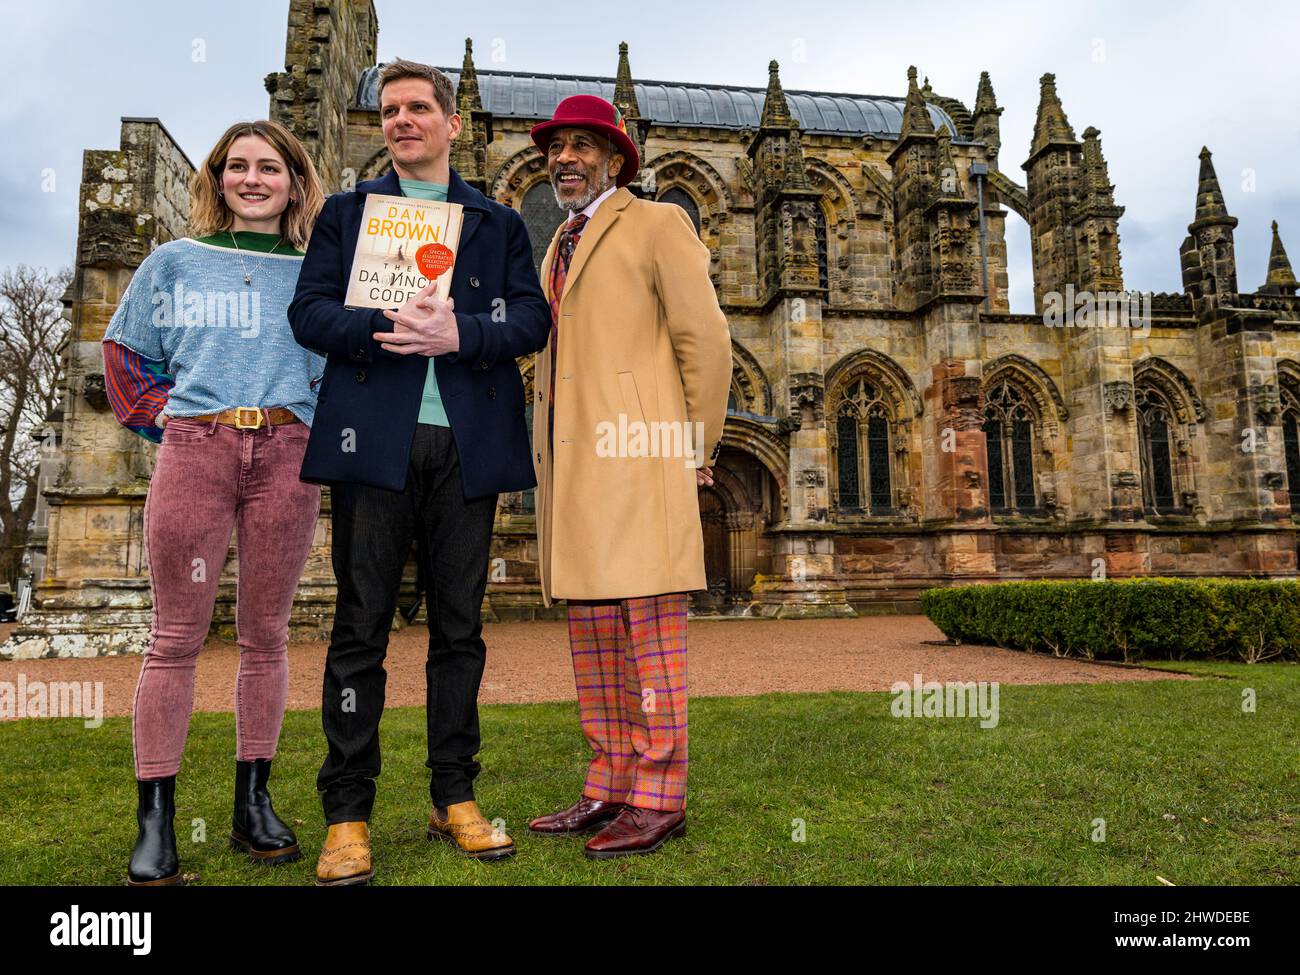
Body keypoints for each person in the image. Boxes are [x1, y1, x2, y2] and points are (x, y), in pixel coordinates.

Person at [289, 58, 550, 885]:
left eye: (417, 109)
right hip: (374, 442)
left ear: (451, 123)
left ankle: (454, 795)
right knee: (359, 630)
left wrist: (462, 334)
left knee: (459, 630)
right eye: (390, 111)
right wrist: (380, 325)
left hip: (468, 444)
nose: (402, 120)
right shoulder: (346, 213)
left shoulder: (498, 223)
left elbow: (532, 318)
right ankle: (347, 812)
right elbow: (310, 312)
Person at [103, 119, 326, 886]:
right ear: (218, 178)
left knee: (266, 635)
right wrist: (164, 413)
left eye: (271, 167)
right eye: (239, 167)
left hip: (288, 455)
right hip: (196, 449)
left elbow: (338, 366)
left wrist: (316, 423)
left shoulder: (316, 270)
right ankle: (156, 820)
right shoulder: (174, 262)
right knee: (175, 636)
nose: (254, 178)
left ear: (295, 181)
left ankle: (252, 804)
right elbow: (126, 354)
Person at [523, 95, 731, 857]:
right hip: (577, 474)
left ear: (616, 159)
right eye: (556, 148)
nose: (566, 159)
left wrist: (694, 448)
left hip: (642, 459)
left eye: (582, 147)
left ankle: (659, 795)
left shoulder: (656, 223)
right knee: (595, 638)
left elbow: (704, 340)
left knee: (651, 643)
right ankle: (609, 782)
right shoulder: (557, 247)